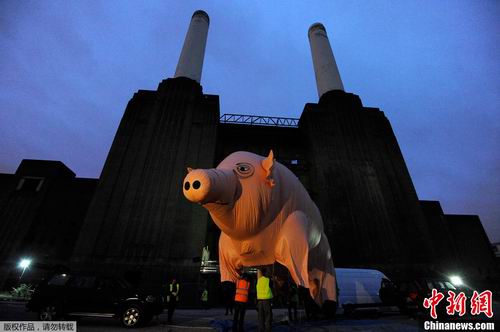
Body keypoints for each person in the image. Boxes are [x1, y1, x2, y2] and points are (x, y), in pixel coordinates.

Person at [256, 268, 273, 332]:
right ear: (266, 273)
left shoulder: (258, 280)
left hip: (260, 301)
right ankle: (268, 330)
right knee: (268, 316)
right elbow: (272, 288)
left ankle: (261, 330)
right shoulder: (268, 280)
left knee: (261, 317)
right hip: (267, 300)